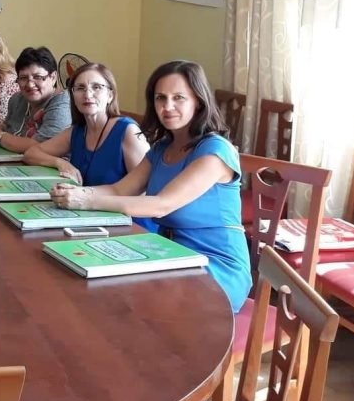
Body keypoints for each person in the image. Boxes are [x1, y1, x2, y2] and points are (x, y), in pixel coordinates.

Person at [51, 60, 252, 313]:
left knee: (123, 301)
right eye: (160, 98)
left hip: (216, 268)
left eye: (178, 98)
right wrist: (75, 193)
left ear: (198, 102)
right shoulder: (161, 148)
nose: (167, 107)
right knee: (91, 278)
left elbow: (161, 205)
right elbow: (119, 189)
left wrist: (86, 200)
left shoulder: (215, 151)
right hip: (168, 253)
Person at [24, 61, 151, 189]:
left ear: (110, 95)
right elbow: (31, 153)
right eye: (80, 88)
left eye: (96, 87)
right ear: (72, 96)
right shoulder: (76, 132)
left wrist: (87, 197)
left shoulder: (128, 132)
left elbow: (147, 191)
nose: (88, 95)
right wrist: (61, 163)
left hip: (110, 202)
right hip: (77, 200)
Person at [0, 46, 71, 152]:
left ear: (53, 77)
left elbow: (41, 147)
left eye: (37, 77)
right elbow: (8, 130)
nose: (30, 85)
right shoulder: (16, 100)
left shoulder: (63, 105)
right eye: (23, 78)